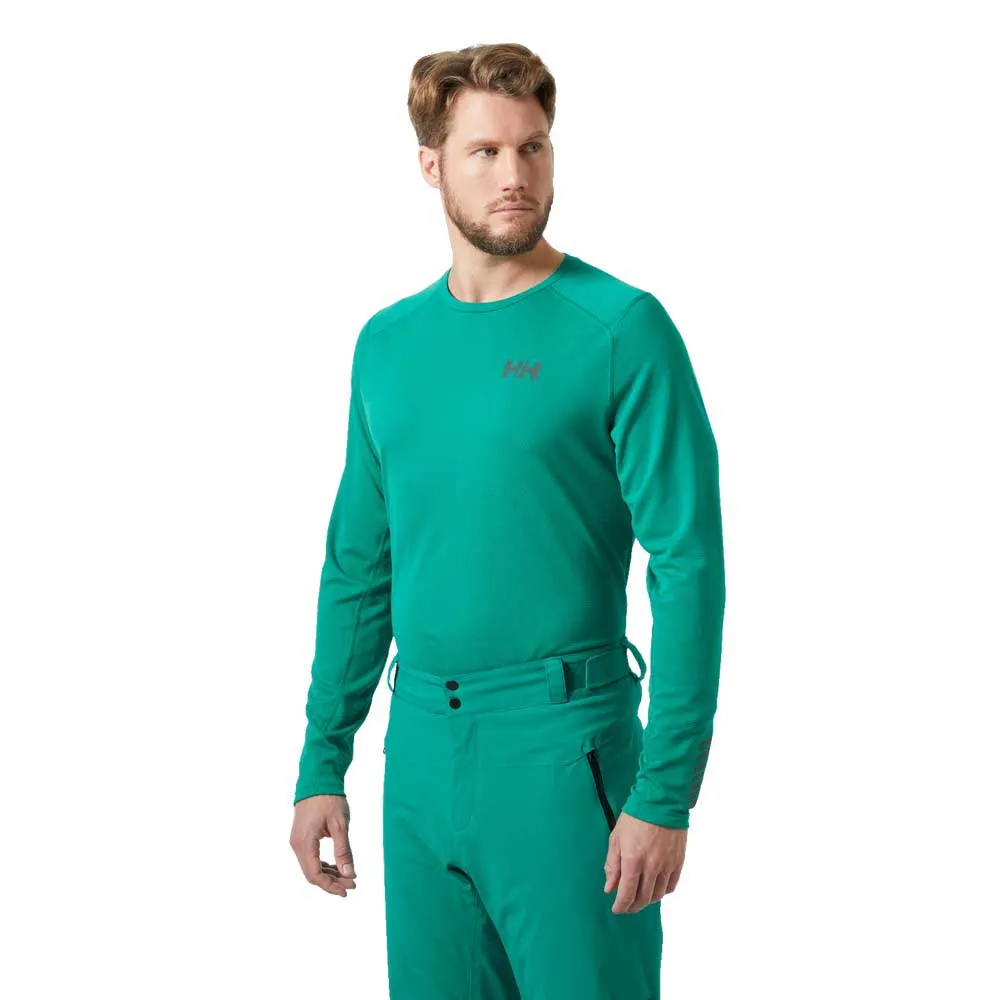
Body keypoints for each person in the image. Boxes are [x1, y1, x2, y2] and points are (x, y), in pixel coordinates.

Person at [288, 41, 726, 1000]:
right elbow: (360, 565)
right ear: (431, 164)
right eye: (484, 152)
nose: (514, 175)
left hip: (565, 752)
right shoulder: (387, 344)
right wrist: (323, 760)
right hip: (420, 754)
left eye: (533, 147)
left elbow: (689, 563)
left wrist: (666, 791)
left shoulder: (620, 329)